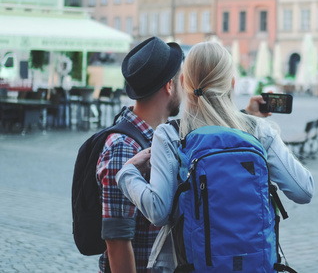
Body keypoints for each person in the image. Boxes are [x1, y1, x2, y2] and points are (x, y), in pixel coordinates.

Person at [115, 41, 314, 271]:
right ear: (232, 83)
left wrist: (127, 173)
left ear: (183, 83)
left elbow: (158, 211)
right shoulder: (258, 131)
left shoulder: (170, 136)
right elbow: (304, 190)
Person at [96, 37, 269, 273]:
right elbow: (116, 241)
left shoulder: (167, 136)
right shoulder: (124, 147)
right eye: (180, 79)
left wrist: (245, 116)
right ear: (170, 86)